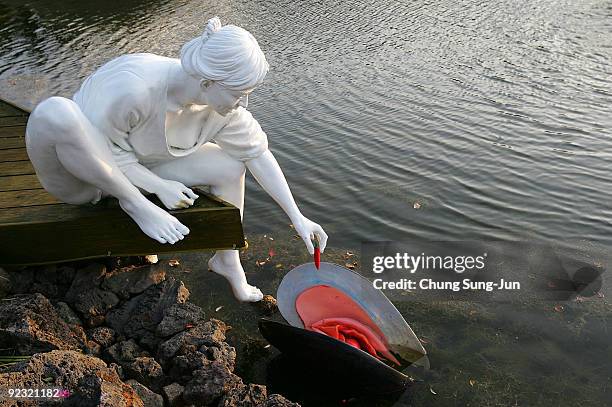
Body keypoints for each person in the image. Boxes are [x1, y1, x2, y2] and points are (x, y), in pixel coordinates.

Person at [25, 16, 328, 302]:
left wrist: (297, 217)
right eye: (239, 92)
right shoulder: (135, 87)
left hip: (136, 165)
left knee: (230, 164)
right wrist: (156, 187)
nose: (244, 102)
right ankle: (135, 204)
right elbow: (102, 152)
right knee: (55, 111)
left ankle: (227, 259)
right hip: (82, 179)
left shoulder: (220, 109)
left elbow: (257, 154)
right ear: (208, 82)